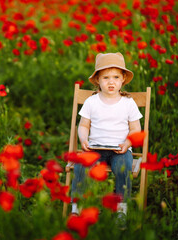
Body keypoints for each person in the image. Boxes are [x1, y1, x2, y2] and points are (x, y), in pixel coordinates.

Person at [70, 52, 143, 219]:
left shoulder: (128, 103)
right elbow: (83, 125)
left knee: (122, 168)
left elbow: (135, 128)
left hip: (121, 149)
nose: (111, 82)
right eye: (106, 78)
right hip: (95, 148)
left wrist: (127, 142)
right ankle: (76, 207)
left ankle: (121, 209)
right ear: (97, 80)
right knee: (81, 165)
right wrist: (83, 139)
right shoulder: (92, 101)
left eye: (116, 77)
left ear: (123, 78)